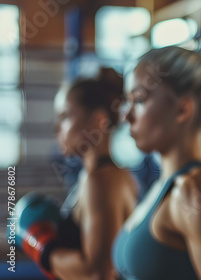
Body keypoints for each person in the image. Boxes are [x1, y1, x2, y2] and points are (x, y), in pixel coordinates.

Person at [113, 37, 201, 280]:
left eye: (139, 100)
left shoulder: (194, 191)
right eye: (128, 102)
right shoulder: (162, 187)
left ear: (182, 109)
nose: (127, 116)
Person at [47, 67, 137, 279]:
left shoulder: (100, 180)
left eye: (65, 116)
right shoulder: (109, 175)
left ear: (97, 120)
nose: (56, 128)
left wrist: (44, 250)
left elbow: (99, 273)